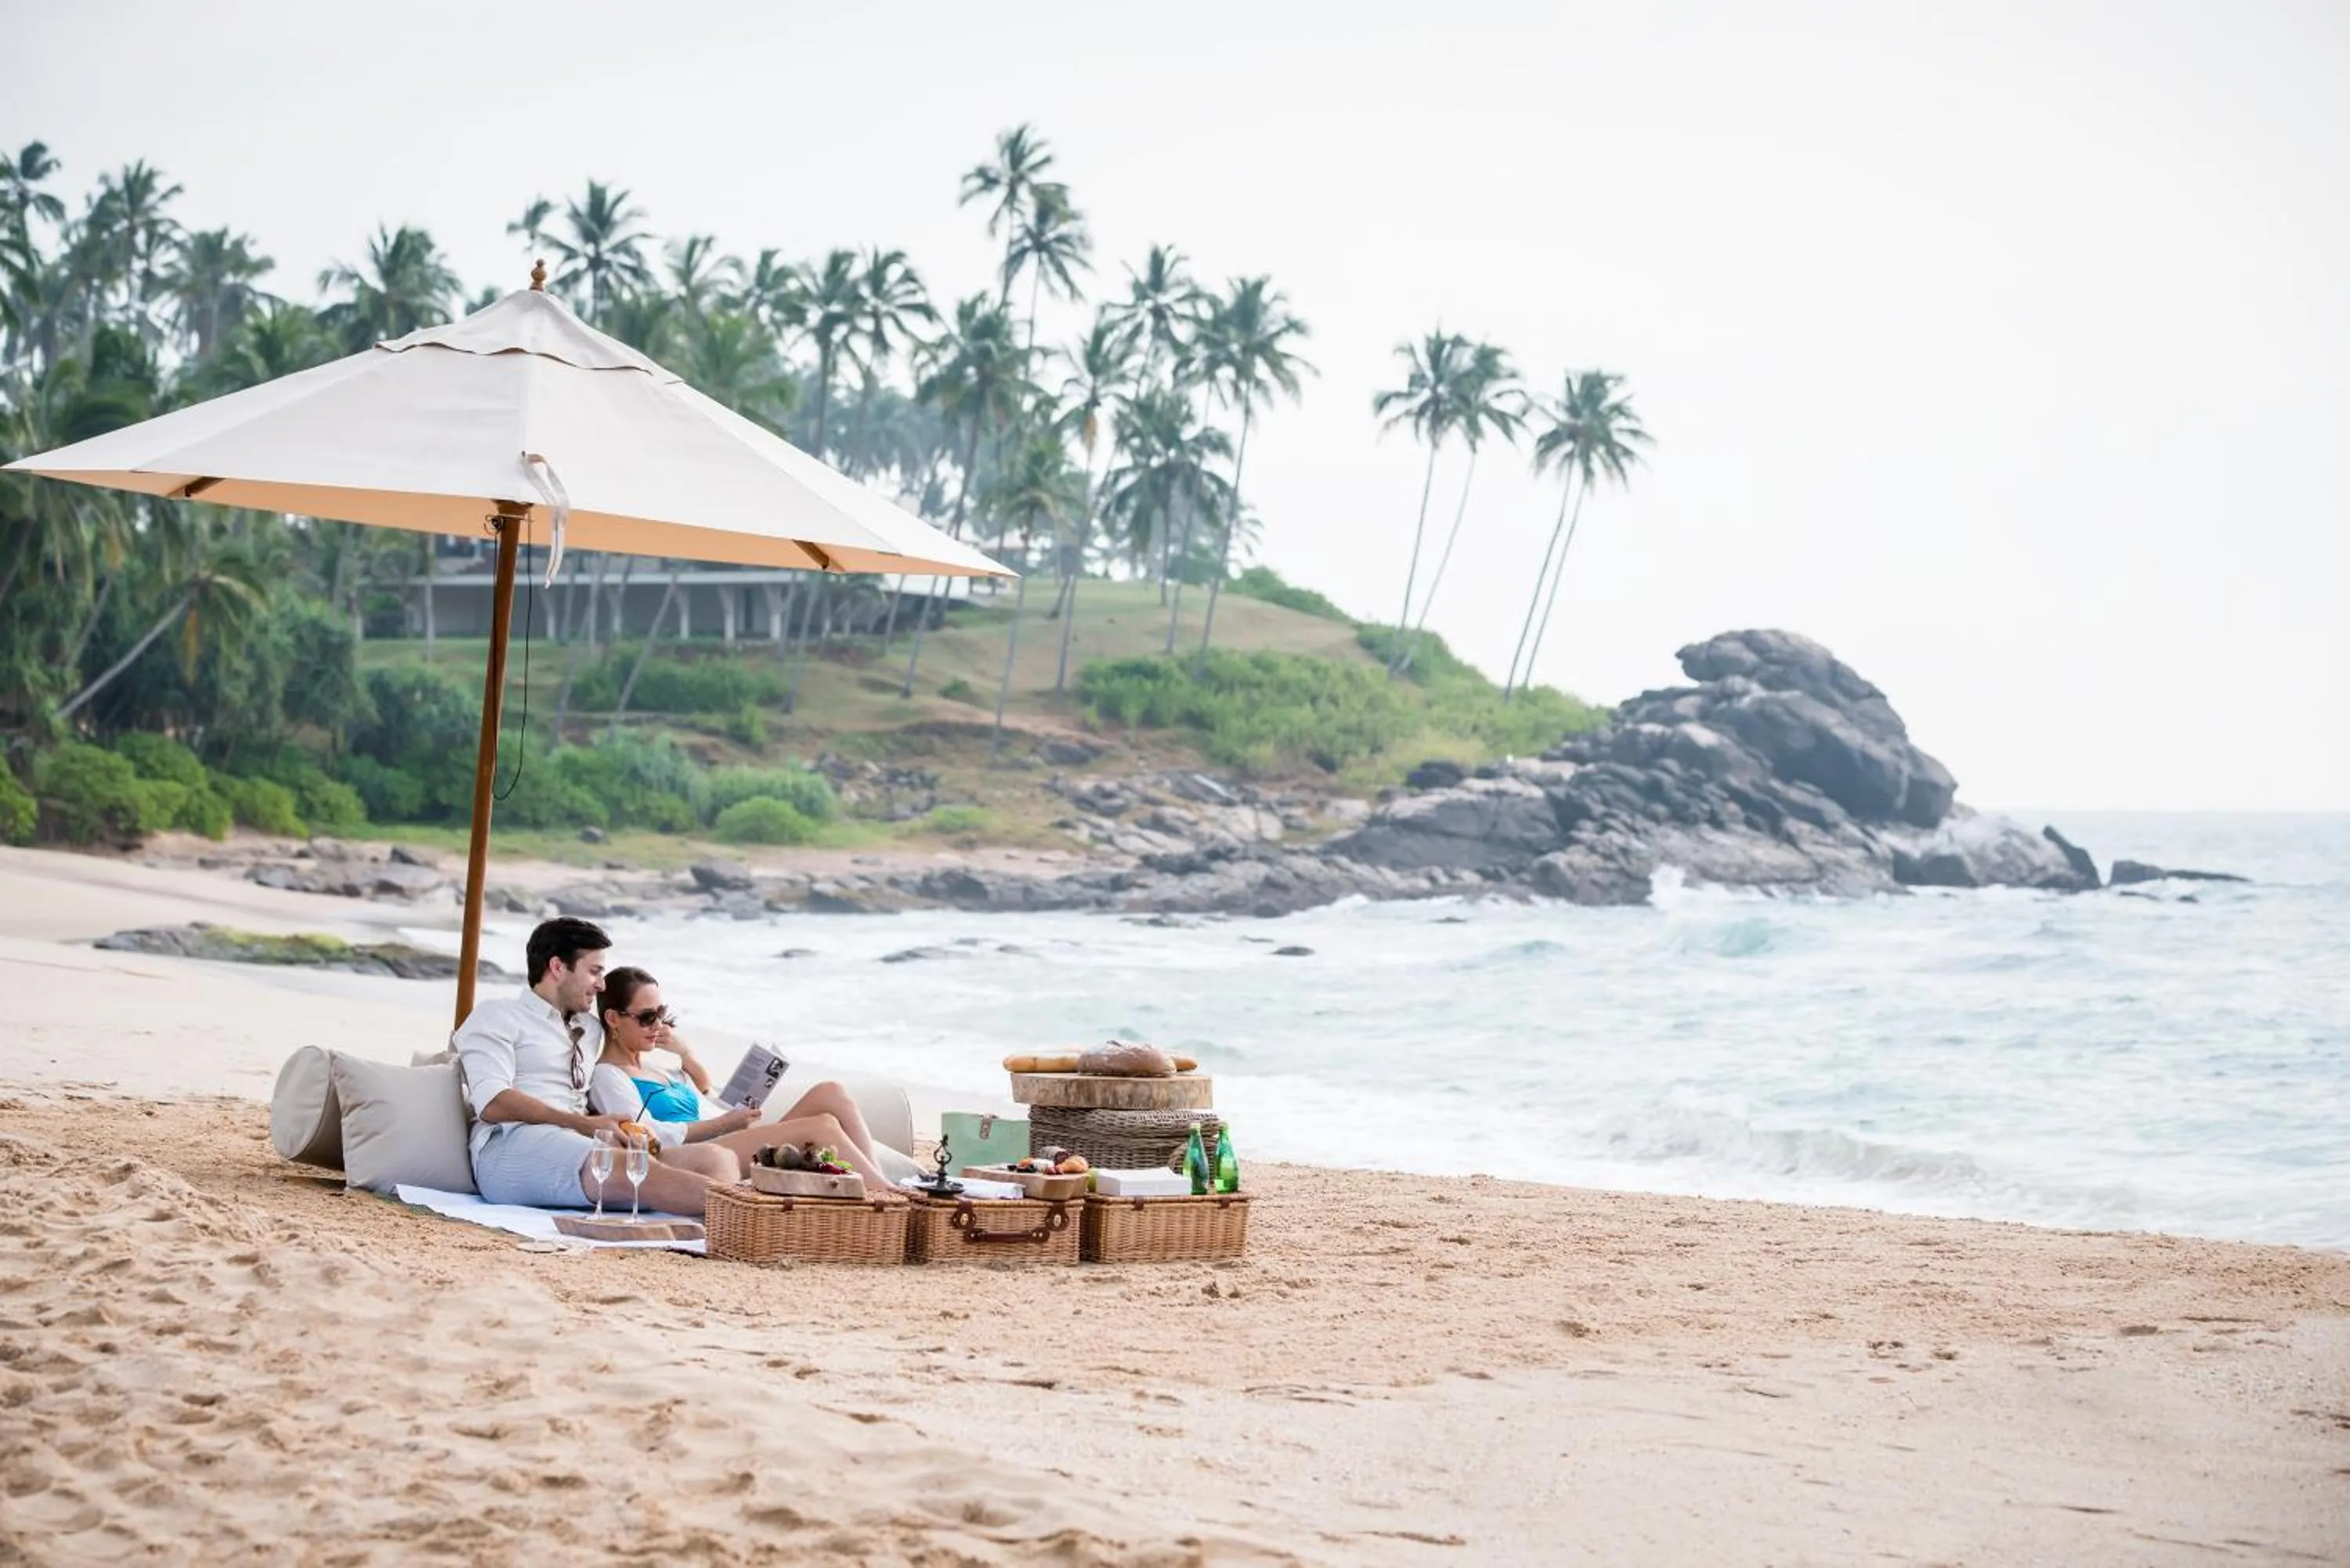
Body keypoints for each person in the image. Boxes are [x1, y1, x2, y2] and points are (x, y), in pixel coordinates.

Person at [452, 918, 735, 1214]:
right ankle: (748, 1215)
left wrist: (678, 1051)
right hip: (510, 1148)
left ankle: (722, 1225)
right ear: (558, 968)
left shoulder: (589, 1029)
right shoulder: (497, 1016)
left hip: (582, 1146)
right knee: (626, 1167)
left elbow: (624, 1048)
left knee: (716, 1159)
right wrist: (584, 1124)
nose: (601, 985)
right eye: (594, 972)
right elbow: (492, 1102)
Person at [584, 964, 900, 1190]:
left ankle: (879, 1181)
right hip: (701, 1155)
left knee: (831, 1092)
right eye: (647, 1018)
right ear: (613, 1018)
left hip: (729, 1135)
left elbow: (707, 1099)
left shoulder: (658, 1069)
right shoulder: (608, 1076)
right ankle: (888, 1196)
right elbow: (649, 1137)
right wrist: (727, 1123)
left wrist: (686, 1054)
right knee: (823, 1126)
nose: (658, 1025)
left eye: (662, 1015)